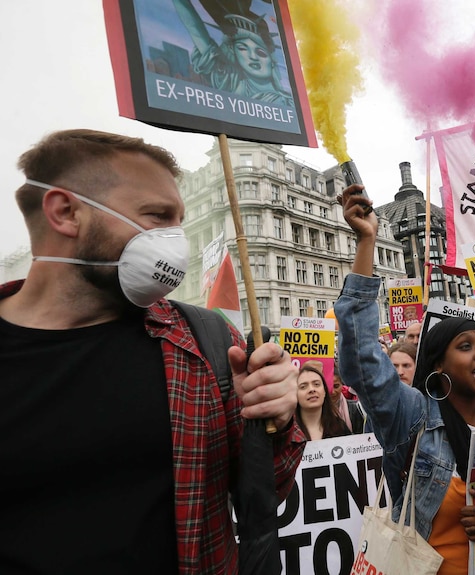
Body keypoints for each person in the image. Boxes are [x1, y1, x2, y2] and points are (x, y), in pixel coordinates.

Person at [0, 129, 304, 574]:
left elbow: (264, 492)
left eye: (180, 220)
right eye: (158, 216)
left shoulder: (208, 343)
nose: (177, 241)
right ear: (66, 213)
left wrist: (271, 422)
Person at [334, 190, 475, 575]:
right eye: (465, 346)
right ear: (438, 365)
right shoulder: (415, 415)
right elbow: (361, 360)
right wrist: (366, 241)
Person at [172, 0, 296, 107]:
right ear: (234, 53)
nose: (253, 57)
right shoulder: (229, 80)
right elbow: (195, 29)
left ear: (272, 61)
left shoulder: (290, 105)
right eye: (242, 48)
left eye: (261, 52)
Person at [296, 362, 352, 440]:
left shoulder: (339, 427)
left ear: (324, 391)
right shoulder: (287, 432)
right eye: (303, 387)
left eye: (316, 384)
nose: (312, 390)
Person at [330, 363, 366, 433]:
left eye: (336, 386)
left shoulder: (355, 409)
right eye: (329, 388)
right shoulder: (316, 411)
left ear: (342, 385)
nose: (333, 392)